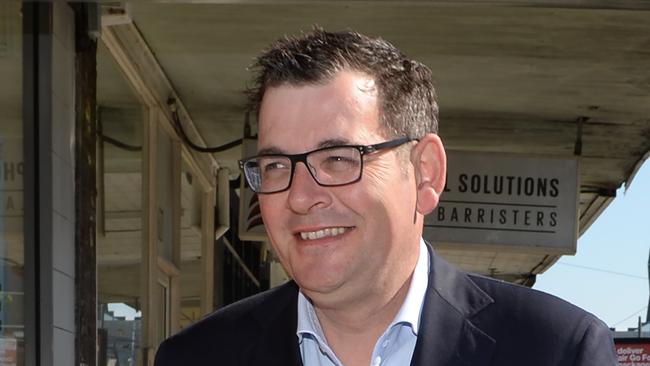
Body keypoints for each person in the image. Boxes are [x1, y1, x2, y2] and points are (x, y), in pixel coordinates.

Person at [155, 29, 616, 366]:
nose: (299, 197)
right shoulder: (197, 357)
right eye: (276, 165)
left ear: (424, 173)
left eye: (338, 158)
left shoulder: (557, 352)